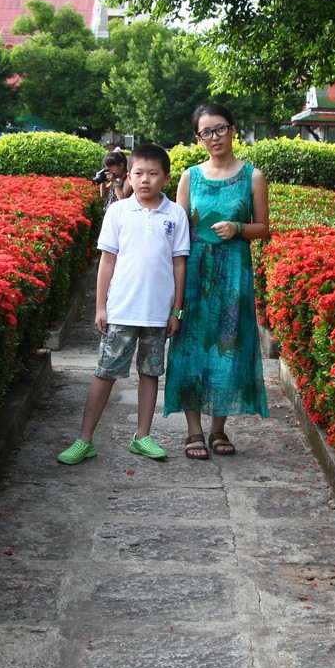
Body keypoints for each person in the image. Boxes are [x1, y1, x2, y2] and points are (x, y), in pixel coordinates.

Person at [59, 142, 188, 465]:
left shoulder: (175, 214)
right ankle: (85, 439)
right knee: (104, 372)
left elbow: (179, 265)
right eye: (139, 173)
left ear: (166, 178)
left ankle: (143, 436)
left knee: (149, 372)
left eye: (153, 174)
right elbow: (106, 262)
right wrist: (100, 307)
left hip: (158, 313)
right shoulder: (117, 212)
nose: (145, 180)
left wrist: (176, 311)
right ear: (128, 176)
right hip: (121, 310)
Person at [163, 102, 270, 458]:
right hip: (194, 273)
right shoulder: (189, 177)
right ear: (198, 137)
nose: (214, 137)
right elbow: (178, 231)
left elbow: (264, 228)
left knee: (227, 347)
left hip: (233, 275)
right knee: (190, 347)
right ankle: (193, 431)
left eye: (220, 129)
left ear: (233, 129)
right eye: (206, 132)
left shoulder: (252, 176)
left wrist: (239, 228)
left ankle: (218, 430)